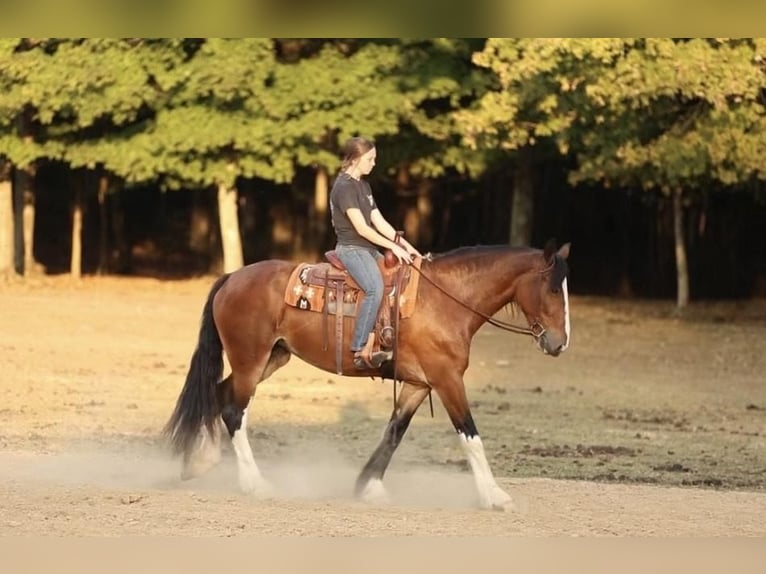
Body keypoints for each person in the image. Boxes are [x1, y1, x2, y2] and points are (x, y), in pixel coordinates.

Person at [329, 136, 421, 369]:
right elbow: (361, 228)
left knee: (400, 278)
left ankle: (386, 338)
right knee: (375, 288)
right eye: (370, 159)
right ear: (356, 159)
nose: (373, 163)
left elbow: (379, 222)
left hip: (368, 249)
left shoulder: (363, 186)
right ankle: (359, 349)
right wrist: (391, 247)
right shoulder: (344, 187)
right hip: (351, 249)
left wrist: (410, 250)